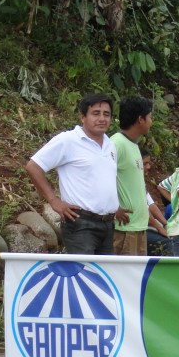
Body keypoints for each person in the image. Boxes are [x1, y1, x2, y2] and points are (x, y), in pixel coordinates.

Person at [25, 93, 121, 255]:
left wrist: (113, 205)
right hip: (81, 224)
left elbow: (103, 179)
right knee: (83, 276)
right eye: (95, 113)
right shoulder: (68, 140)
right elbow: (33, 166)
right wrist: (53, 200)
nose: (102, 118)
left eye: (106, 114)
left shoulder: (110, 145)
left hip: (108, 224)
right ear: (83, 116)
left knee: (103, 278)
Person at [112, 96, 154, 256]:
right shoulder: (117, 143)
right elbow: (99, 177)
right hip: (125, 229)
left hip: (137, 227)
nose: (151, 121)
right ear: (140, 119)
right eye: (149, 117)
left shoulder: (133, 144)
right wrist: (113, 207)